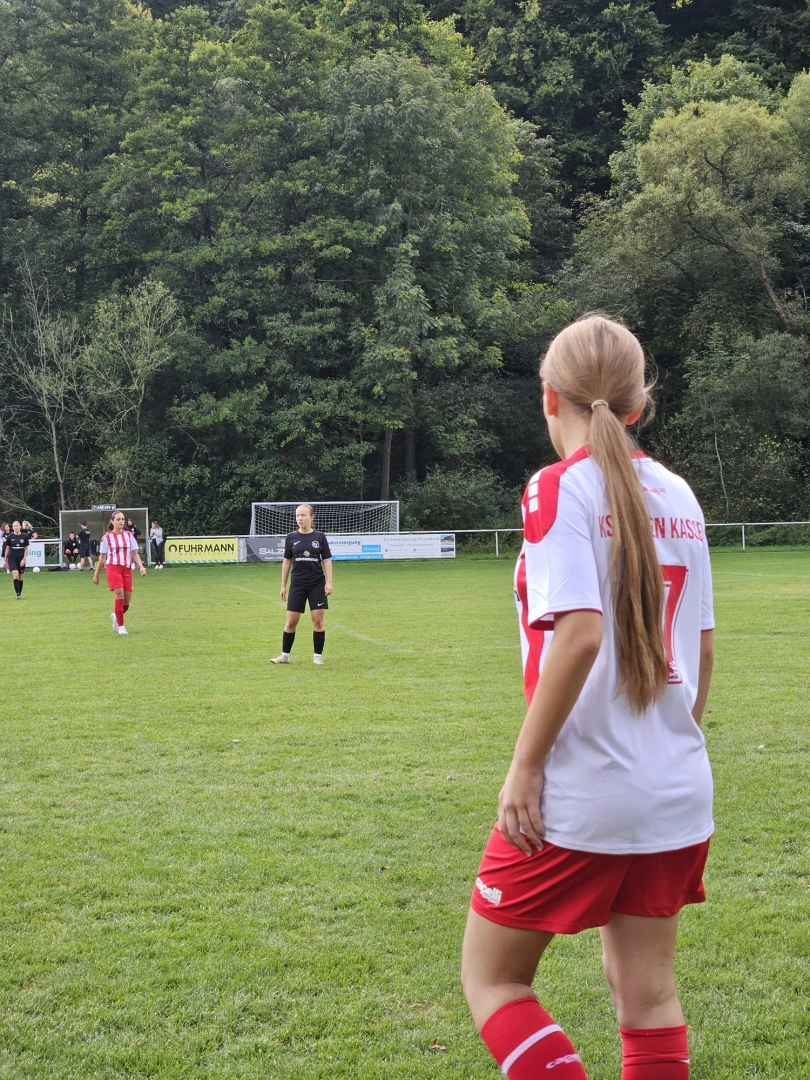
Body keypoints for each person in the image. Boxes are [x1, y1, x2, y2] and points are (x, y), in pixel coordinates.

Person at [460, 315, 715, 1080]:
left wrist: (525, 766)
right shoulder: (680, 493)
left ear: (549, 398)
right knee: (648, 998)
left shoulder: (557, 488)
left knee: (494, 979)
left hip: (582, 789)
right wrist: (661, 754)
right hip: (676, 790)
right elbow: (701, 652)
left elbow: (577, 637)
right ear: (639, 405)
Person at [270, 503, 333, 665]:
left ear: (312, 517)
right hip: (297, 584)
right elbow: (286, 562)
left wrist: (329, 582)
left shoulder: (320, 537)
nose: (300, 518)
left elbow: (326, 560)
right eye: (298, 515)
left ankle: (317, 657)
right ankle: (284, 656)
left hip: (317, 584)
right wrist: (283, 585)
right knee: (291, 621)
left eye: (303, 515)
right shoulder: (291, 537)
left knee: (317, 621)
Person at [93, 511, 146, 635]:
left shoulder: (129, 535)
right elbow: (102, 558)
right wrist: (96, 575)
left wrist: (141, 567)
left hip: (126, 569)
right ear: (112, 521)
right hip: (113, 568)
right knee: (119, 595)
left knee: (126, 602)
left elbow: (134, 553)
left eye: (122, 519)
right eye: (118, 519)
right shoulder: (106, 538)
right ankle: (121, 627)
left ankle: (115, 616)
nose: (121, 521)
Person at [3, 520, 29, 598]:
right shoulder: (10, 537)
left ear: (20, 527)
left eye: (17, 526)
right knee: (16, 575)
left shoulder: (24, 536)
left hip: (21, 558)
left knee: (20, 577)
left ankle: (19, 593)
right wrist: (5, 560)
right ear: (13, 528)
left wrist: (24, 559)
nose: (16, 527)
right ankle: (17, 594)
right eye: (14, 526)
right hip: (12, 558)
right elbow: (7, 549)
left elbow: (26, 548)